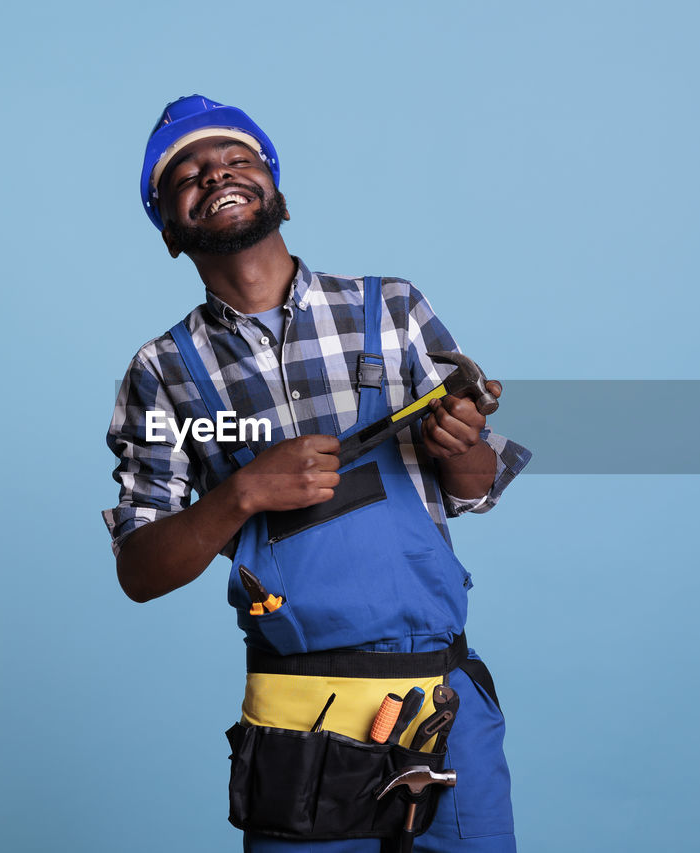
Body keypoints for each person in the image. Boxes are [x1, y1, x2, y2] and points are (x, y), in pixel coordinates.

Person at [105, 95, 531, 853]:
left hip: (439, 707)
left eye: (238, 160)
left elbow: (479, 484)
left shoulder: (391, 309)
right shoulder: (164, 372)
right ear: (169, 228)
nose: (218, 175)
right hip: (299, 727)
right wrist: (242, 492)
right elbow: (139, 568)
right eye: (189, 174)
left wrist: (459, 438)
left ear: (278, 191)